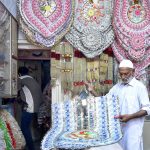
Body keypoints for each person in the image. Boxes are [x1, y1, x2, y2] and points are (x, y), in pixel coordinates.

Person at [86, 59, 150, 150]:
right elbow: (105, 101)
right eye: (121, 74)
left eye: (126, 73)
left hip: (133, 132)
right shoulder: (117, 87)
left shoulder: (139, 87)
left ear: (133, 72)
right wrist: (92, 90)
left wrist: (130, 117)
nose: (123, 77)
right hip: (117, 131)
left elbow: (147, 109)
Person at [18, 66, 43, 150]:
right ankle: (29, 146)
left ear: (19, 73)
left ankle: (30, 147)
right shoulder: (32, 80)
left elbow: (14, 90)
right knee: (27, 126)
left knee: (24, 127)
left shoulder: (21, 79)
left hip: (29, 107)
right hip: (36, 107)